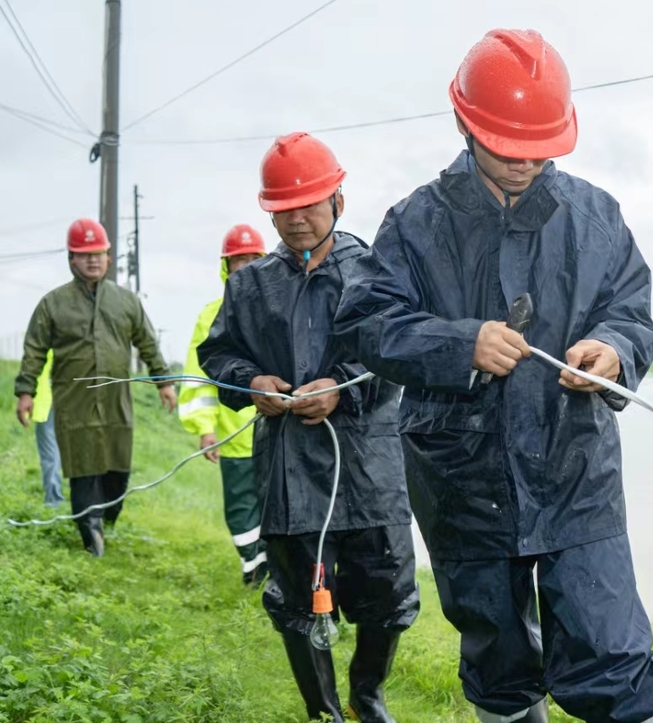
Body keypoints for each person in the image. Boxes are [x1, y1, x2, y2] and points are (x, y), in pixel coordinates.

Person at [334, 29, 653, 723]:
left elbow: (630, 310)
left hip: (576, 469)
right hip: (462, 479)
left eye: (540, 149)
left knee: (612, 650)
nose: (524, 163)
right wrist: (459, 343)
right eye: (506, 147)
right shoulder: (413, 223)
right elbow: (367, 325)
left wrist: (613, 349)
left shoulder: (597, 215)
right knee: (498, 652)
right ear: (465, 123)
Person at [197, 132, 419, 723]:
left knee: (387, 596)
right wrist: (252, 384)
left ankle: (367, 693)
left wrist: (341, 385)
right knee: (297, 600)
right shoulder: (248, 285)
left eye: (309, 206)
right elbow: (217, 355)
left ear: (338, 202)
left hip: (369, 464)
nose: (296, 220)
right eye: (282, 210)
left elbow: (397, 351)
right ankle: (323, 711)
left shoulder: (378, 272)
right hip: (290, 472)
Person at [15, 218, 176, 557]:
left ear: (108, 256)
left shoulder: (126, 301)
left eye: (99, 253)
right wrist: (25, 392)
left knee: (118, 466)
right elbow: (34, 350)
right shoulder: (53, 304)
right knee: (83, 465)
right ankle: (91, 533)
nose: (93, 260)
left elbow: (147, 343)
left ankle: (107, 516)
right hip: (74, 399)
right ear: (72, 259)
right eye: (85, 254)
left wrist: (164, 382)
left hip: (117, 399)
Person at [178, 224, 268, 586]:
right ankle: (254, 566)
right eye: (237, 261)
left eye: (252, 259)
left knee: (281, 505)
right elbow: (197, 377)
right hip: (233, 435)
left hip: (279, 433)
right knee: (241, 508)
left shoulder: (282, 307)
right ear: (226, 267)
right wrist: (205, 428)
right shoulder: (210, 315)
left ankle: (278, 569)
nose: (244, 267)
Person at [32, 350, 64, 508]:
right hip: (58, 403)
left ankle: (54, 501)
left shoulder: (46, 347)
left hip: (48, 405)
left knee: (50, 455)